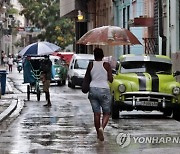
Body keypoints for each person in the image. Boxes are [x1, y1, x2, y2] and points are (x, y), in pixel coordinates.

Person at [86, 47, 113, 141]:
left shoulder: (90, 65)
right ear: (102, 56)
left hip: (93, 89)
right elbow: (111, 79)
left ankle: (98, 133)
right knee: (107, 112)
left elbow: (88, 77)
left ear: (94, 55)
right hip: (104, 89)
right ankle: (102, 128)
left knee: (96, 114)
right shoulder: (106, 65)